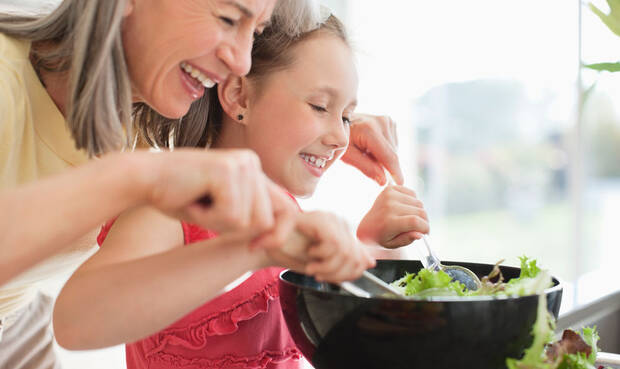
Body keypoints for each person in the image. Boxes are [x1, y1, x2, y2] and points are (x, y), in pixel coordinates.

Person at [0, 0, 405, 367]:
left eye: (255, 32)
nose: (241, 61)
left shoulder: (131, 114)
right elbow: (77, 320)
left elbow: (239, 110)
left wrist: (328, 125)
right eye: (229, 18)